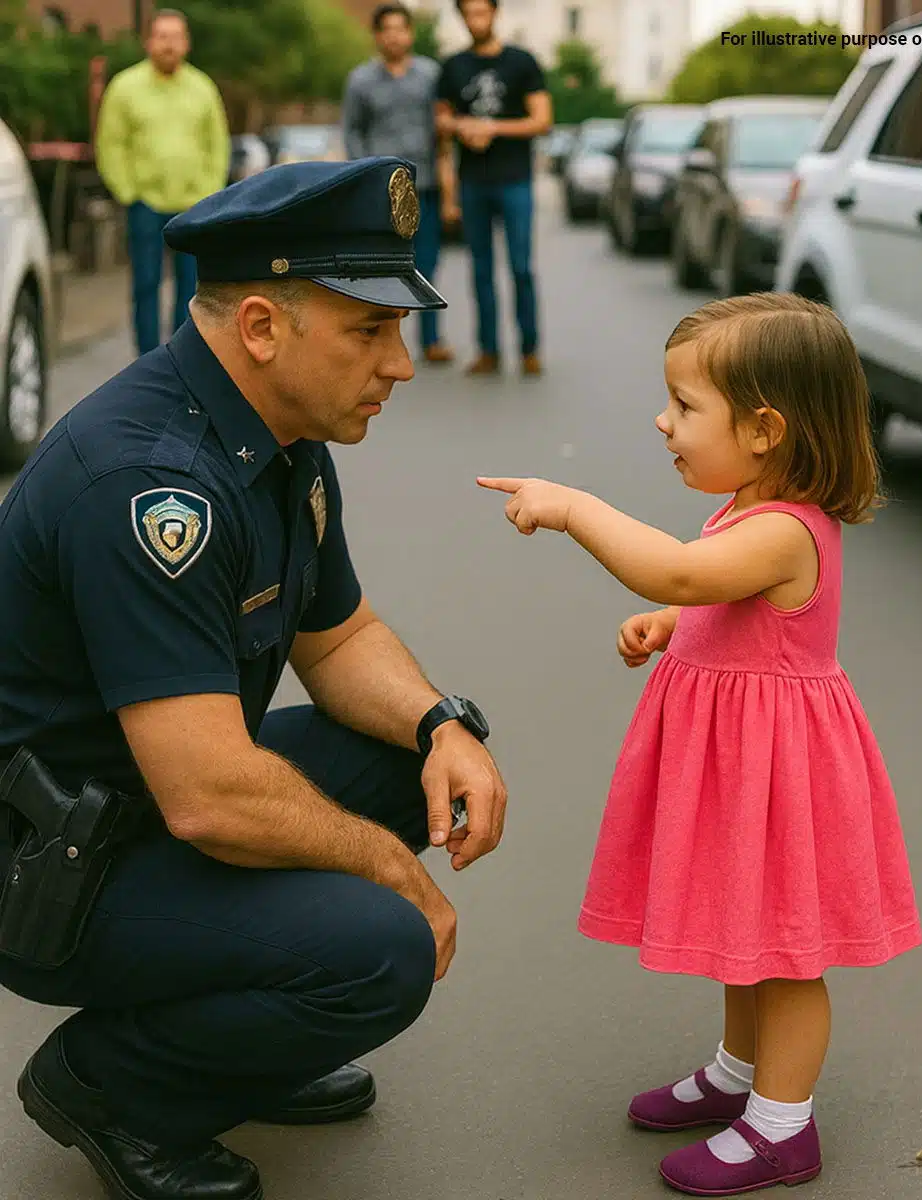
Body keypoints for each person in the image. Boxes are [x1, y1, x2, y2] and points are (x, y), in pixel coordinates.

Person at [0, 157, 507, 1200]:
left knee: (397, 756)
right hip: (49, 869)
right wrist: (387, 869)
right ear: (264, 328)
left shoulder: (278, 435)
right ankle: (114, 1087)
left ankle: (244, 1039)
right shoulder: (149, 486)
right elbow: (208, 794)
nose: (400, 364)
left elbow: (337, 635)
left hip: (138, 808)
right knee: (384, 949)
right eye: (370, 332)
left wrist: (439, 726)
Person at [478, 292, 921, 1196]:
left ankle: (781, 1127)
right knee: (739, 927)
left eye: (684, 406)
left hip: (777, 772)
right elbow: (708, 595)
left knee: (786, 949)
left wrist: (574, 509)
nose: (663, 420)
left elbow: (683, 568)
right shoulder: (745, 508)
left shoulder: (786, 528)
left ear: (764, 428)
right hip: (739, 765)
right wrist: (672, 624)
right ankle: (736, 1072)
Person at [95, 8, 230, 357]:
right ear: (148, 42)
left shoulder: (203, 88)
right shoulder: (125, 87)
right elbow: (110, 143)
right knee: (145, 285)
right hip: (145, 204)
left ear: (186, 43)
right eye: (162, 37)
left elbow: (218, 144)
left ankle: (182, 362)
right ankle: (147, 361)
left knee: (193, 291)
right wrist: (128, 191)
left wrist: (210, 194)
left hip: (194, 206)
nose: (169, 45)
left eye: (176, 37)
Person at [436, 0, 552, 376]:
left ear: (494, 13)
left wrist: (492, 128)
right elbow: (440, 120)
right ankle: (488, 350)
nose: (476, 20)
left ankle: (529, 348)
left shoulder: (522, 62)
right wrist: (463, 128)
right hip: (473, 181)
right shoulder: (453, 66)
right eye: (469, 14)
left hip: (515, 178)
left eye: (482, 12)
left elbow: (542, 121)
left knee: (520, 267)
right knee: (480, 269)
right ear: (462, 17)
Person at [343, 3, 457, 365]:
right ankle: (377, 340)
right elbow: (353, 132)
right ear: (377, 36)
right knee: (380, 266)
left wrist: (448, 184)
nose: (394, 35)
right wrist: (362, 178)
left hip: (424, 186)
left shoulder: (430, 75)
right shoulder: (360, 80)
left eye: (400, 28)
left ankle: (431, 339)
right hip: (380, 189)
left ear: (410, 33)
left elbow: (442, 134)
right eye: (386, 29)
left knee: (427, 265)